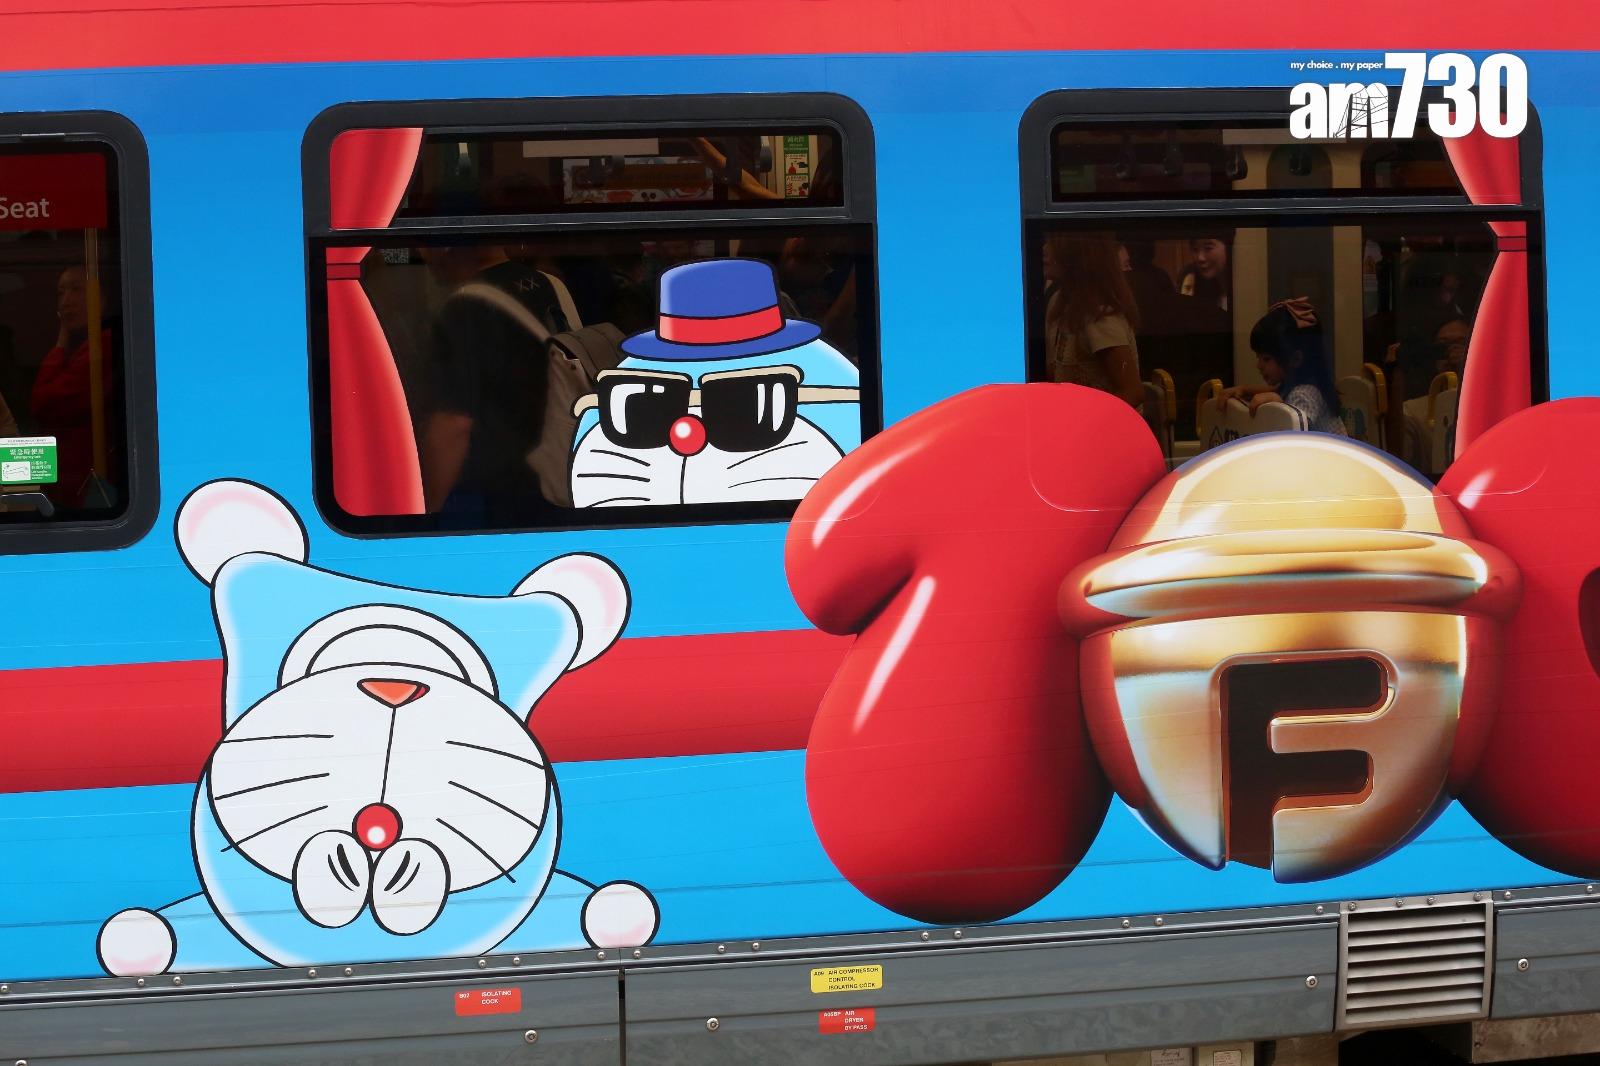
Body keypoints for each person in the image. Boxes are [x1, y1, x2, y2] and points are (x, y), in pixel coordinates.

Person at [417, 244, 576, 525]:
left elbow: (453, 424)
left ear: (444, 245)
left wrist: (425, 513)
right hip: (563, 475)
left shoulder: (465, 307)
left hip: (504, 498)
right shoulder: (552, 284)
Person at [30, 265, 121, 508]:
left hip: (87, 488)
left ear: (102, 300)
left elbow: (44, 404)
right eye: (61, 293)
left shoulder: (104, 346)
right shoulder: (83, 347)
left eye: (76, 289)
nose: (66, 302)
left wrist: (60, 342)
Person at [1043, 233, 1145, 408]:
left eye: (1053, 242)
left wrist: (1085, 421)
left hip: (1103, 424)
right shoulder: (1059, 301)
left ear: (1076, 255)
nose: (1045, 249)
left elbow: (1133, 392)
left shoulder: (1099, 315)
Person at [1218, 298, 1347, 436]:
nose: (1259, 365)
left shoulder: (1304, 394)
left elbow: (1295, 433)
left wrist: (1279, 406)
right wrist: (1244, 390)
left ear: (1295, 359)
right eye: (1258, 357)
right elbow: (1274, 390)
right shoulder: (1293, 385)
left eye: (1266, 359)